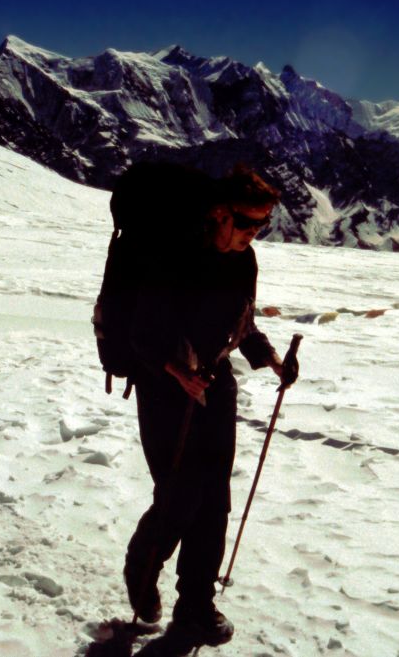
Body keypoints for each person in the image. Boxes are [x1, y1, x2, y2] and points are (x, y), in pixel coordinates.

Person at [122, 165, 291, 648]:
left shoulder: (244, 262)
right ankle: (143, 565)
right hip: (164, 389)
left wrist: (270, 359)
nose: (253, 234)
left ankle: (195, 602)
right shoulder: (173, 257)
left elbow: (243, 324)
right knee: (181, 495)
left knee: (214, 501)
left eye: (262, 226)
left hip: (215, 388)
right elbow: (142, 335)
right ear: (219, 213)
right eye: (247, 223)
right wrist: (178, 373)